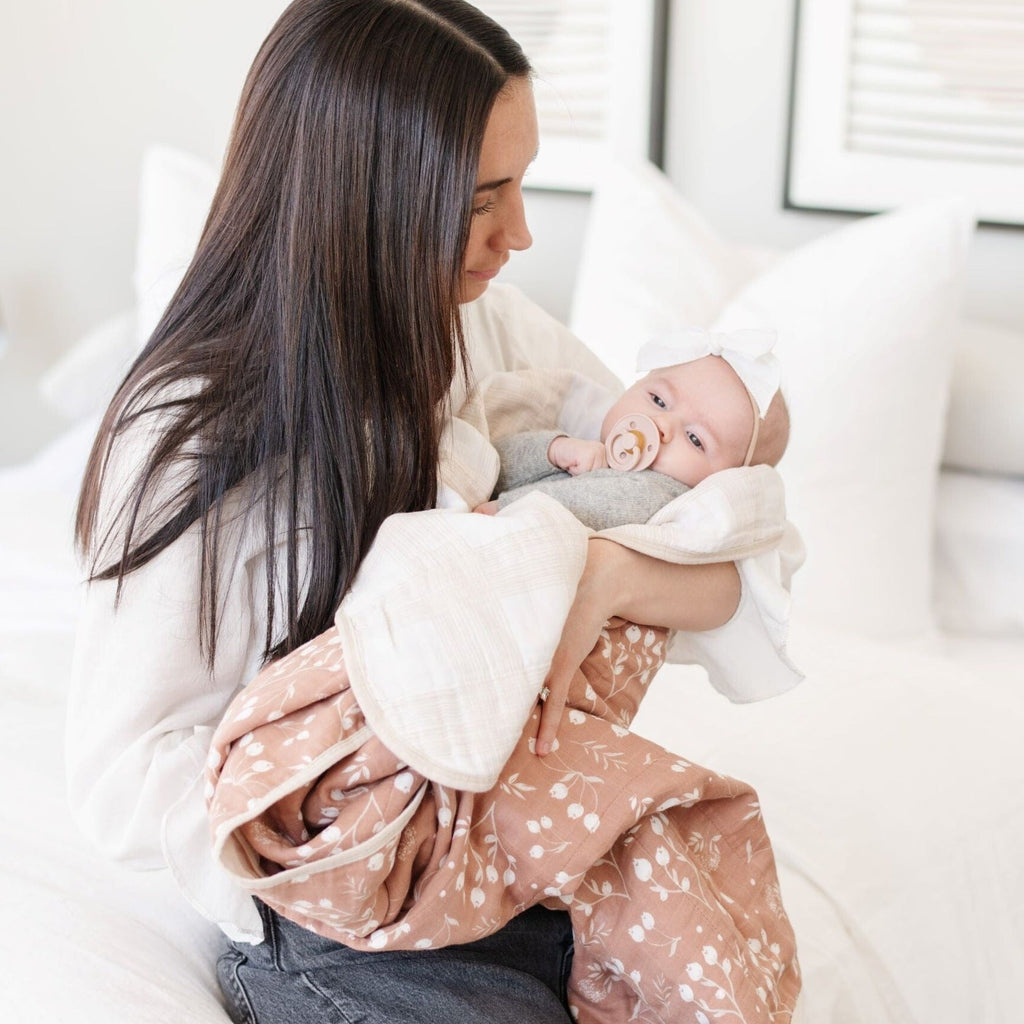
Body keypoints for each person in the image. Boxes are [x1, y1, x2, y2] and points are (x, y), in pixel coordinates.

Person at [66, 2, 801, 1022]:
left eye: (524, 182)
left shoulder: (488, 330)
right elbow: (121, 777)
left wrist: (612, 575)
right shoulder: (197, 434)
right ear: (363, 198)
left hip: (515, 861)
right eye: (482, 197)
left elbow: (727, 529)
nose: (523, 233)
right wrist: (366, 827)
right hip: (343, 909)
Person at [478, 331, 791, 530]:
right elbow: (493, 463)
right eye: (658, 400)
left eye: (695, 439)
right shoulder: (589, 442)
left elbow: (595, 504)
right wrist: (554, 450)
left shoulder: (663, 494)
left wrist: (506, 510)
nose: (662, 426)